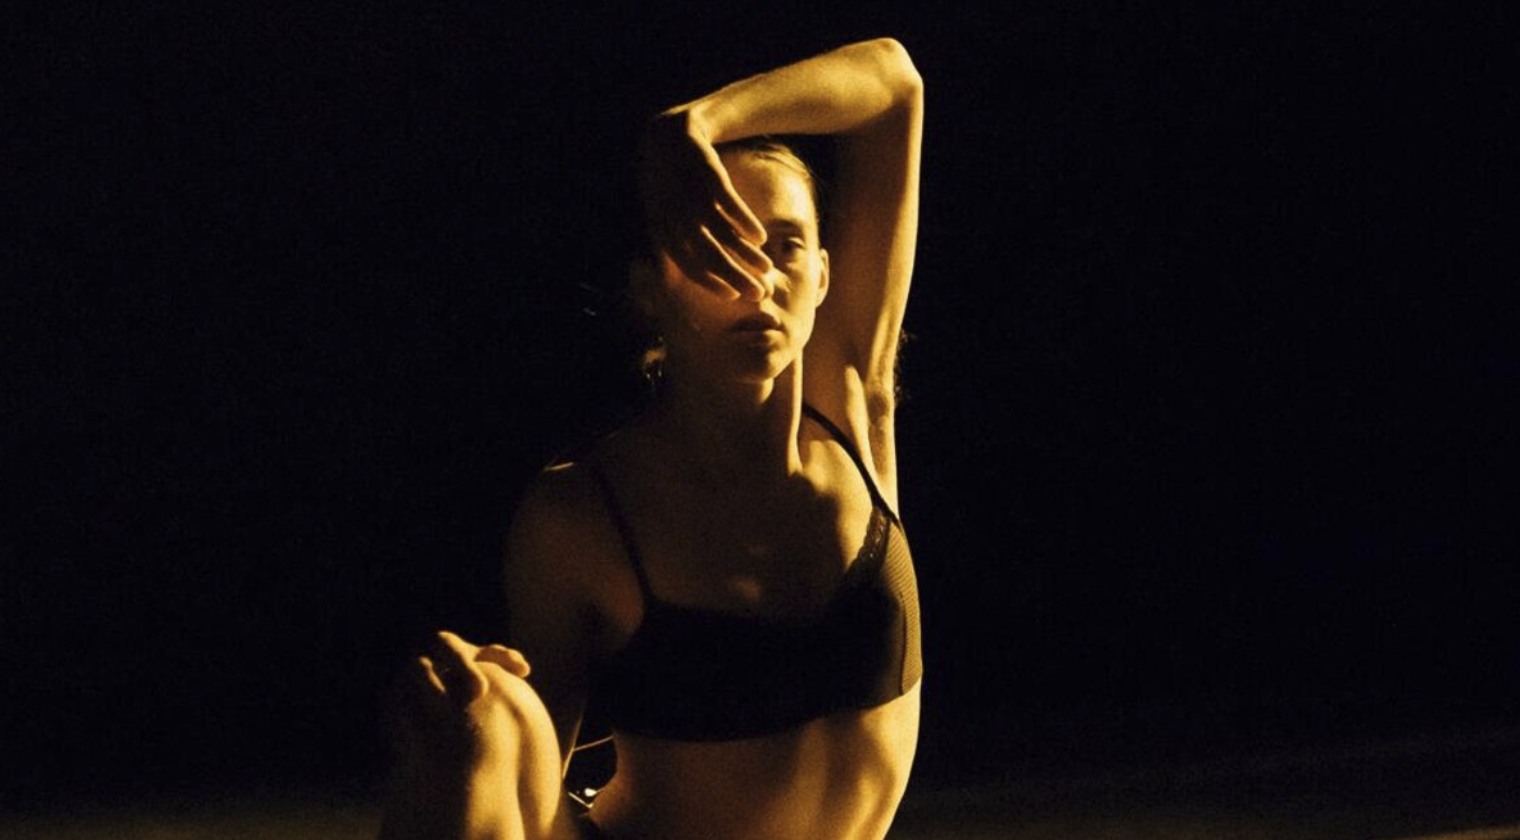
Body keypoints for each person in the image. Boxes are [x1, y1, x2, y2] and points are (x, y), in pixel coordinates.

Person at [380, 37, 925, 840]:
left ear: (822, 276)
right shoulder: (583, 515)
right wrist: (469, 722)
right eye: (716, 247)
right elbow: (530, 796)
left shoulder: (853, 411)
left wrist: (698, 124)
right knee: (490, 717)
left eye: (784, 245)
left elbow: (894, 86)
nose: (757, 279)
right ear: (650, 290)